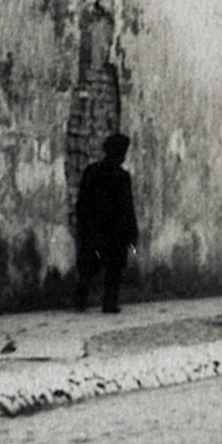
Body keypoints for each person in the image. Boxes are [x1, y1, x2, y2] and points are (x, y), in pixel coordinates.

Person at [74, 131, 138, 314]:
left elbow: (82, 203)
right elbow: (127, 206)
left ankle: (81, 301)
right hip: (114, 230)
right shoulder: (121, 176)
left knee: (89, 266)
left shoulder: (91, 171)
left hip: (94, 227)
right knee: (114, 268)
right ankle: (109, 303)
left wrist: (83, 225)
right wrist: (131, 231)